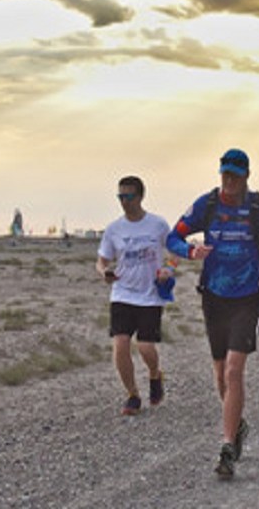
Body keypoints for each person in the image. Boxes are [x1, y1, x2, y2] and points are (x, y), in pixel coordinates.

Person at [166, 149, 259, 479]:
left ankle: (226, 448)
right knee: (220, 375)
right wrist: (190, 250)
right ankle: (237, 426)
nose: (229, 180)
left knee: (234, 371)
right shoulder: (206, 205)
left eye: (235, 174)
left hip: (248, 296)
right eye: (225, 173)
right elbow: (172, 237)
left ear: (247, 175)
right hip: (214, 297)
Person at [96, 176, 174, 416]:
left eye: (129, 196)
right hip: (122, 293)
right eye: (121, 197)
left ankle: (154, 374)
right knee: (120, 345)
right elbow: (102, 260)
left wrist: (168, 269)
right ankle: (132, 395)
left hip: (150, 295)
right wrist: (104, 272)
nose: (124, 201)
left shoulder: (158, 225)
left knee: (145, 347)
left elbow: (174, 252)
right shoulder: (114, 229)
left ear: (140, 196)